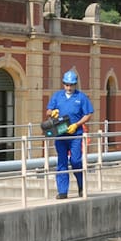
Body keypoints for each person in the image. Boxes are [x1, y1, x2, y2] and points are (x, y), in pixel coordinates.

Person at [45, 69, 94, 199]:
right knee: (62, 161)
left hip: (75, 134)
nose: (69, 87)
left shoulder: (81, 97)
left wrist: (77, 125)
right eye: (67, 85)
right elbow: (48, 111)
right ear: (63, 84)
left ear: (75, 84)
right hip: (61, 133)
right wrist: (52, 112)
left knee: (75, 160)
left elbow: (88, 114)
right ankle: (62, 191)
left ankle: (81, 186)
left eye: (71, 85)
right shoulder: (57, 96)